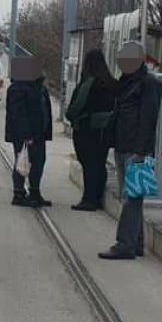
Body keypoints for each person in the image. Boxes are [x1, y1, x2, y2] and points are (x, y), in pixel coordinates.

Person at [100, 41, 162, 260]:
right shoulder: (127, 82)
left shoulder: (149, 84)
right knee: (132, 195)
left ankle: (124, 244)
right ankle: (136, 243)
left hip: (136, 149)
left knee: (132, 198)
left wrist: (142, 150)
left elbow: (149, 119)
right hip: (122, 144)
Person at [65, 49, 117, 211]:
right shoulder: (111, 82)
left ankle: (89, 199)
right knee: (100, 164)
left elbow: (77, 106)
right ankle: (97, 197)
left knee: (89, 164)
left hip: (87, 130)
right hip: (105, 131)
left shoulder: (89, 83)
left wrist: (70, 116)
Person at [5, 56, 53, 208]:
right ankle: (18, 193)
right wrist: (26, 135)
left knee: (38, 162)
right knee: (23, 162)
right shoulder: (17, 89)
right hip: (25, 135)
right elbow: (18, 114)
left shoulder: (38, 88)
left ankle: (34, 192)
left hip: (39, 134)